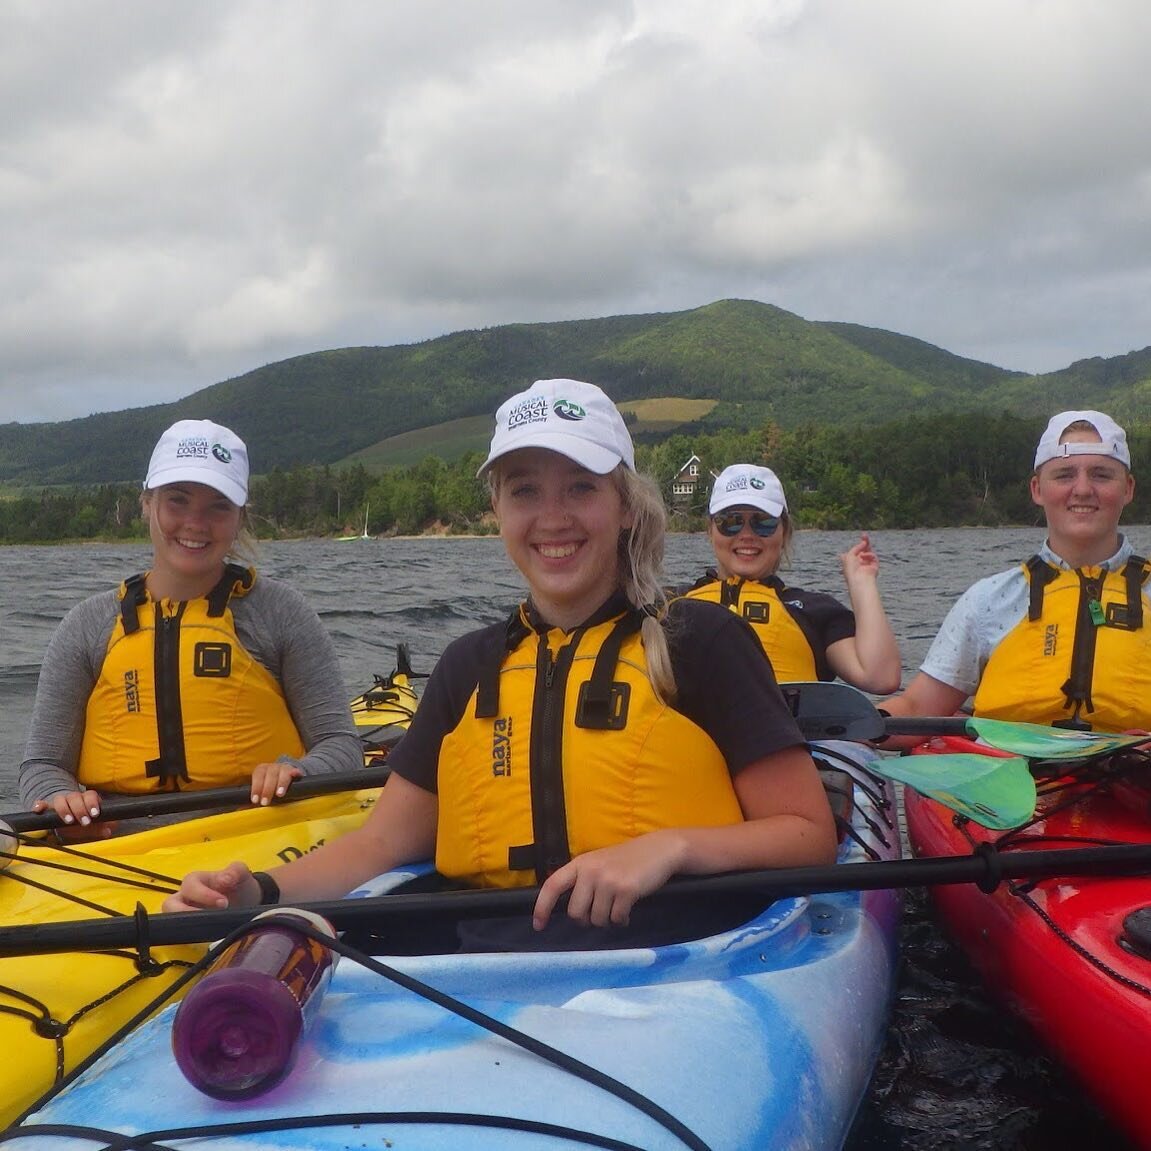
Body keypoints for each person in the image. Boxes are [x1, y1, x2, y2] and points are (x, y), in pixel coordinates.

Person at [165, 380, 838, 949]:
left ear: (624, 506)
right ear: (496, 511)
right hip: (487, 961)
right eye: (524, 491)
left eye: (579, 487)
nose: (552, 517)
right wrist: (255, 889)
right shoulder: (468, 665)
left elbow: (807, 834)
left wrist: (671, 848)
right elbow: (378, 845)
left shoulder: (700, 640)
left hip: (674, 952)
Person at [19, 418, 363, 833]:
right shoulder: (86, 625)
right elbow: (42, 766)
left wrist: (298, 773)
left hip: (255, 829)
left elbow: (342, 747)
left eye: (218, 506)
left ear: (239, 517)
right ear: (147, 503)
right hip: (113, 843)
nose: (195, 523)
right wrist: (61, 800)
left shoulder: (282, 613)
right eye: (177, 500)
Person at [883, 409, 1148, 734]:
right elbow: (916, 707)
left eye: (1101, 475)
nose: (1081, 489)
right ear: (1037, 489)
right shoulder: (988, 600)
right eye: (1064, 475)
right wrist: (850, 727)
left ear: (1128, 488)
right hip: (1017, 780)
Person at [682, 464, 902, 693]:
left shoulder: (813, 612)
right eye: (730, 522)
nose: (746, 535)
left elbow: (880, 678)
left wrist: (862, 583)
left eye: (763, 522)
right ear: (710, 530)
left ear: (784, 532)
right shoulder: (672, 605)